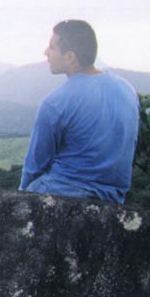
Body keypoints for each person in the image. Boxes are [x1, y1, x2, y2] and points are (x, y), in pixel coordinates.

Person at [19, 20, 140, 204]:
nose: (46, 53)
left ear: (70, 57)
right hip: (113, 196)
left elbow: (35, 166)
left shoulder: (55, 103)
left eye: (51, 47)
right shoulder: (127, 89)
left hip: (64, 193)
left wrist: (18, 201)